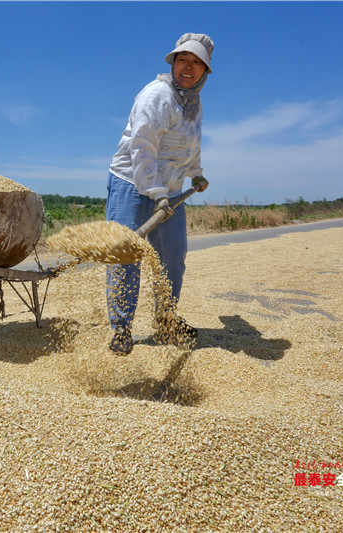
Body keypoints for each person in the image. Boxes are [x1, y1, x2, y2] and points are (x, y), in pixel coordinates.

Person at [105, 33, 214, 354]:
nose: (188, 67)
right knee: (125, 256)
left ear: (205, 71)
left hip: (170, 190)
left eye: (197, 63)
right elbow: (142, 146)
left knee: (173, 257)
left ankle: (166, 319)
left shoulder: (194, 103)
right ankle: (121, 327)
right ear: (173, 62)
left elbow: (191, 144)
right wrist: (154, 192)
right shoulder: (157, 95)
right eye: (183, 59)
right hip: (133, 183)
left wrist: (196, 173)